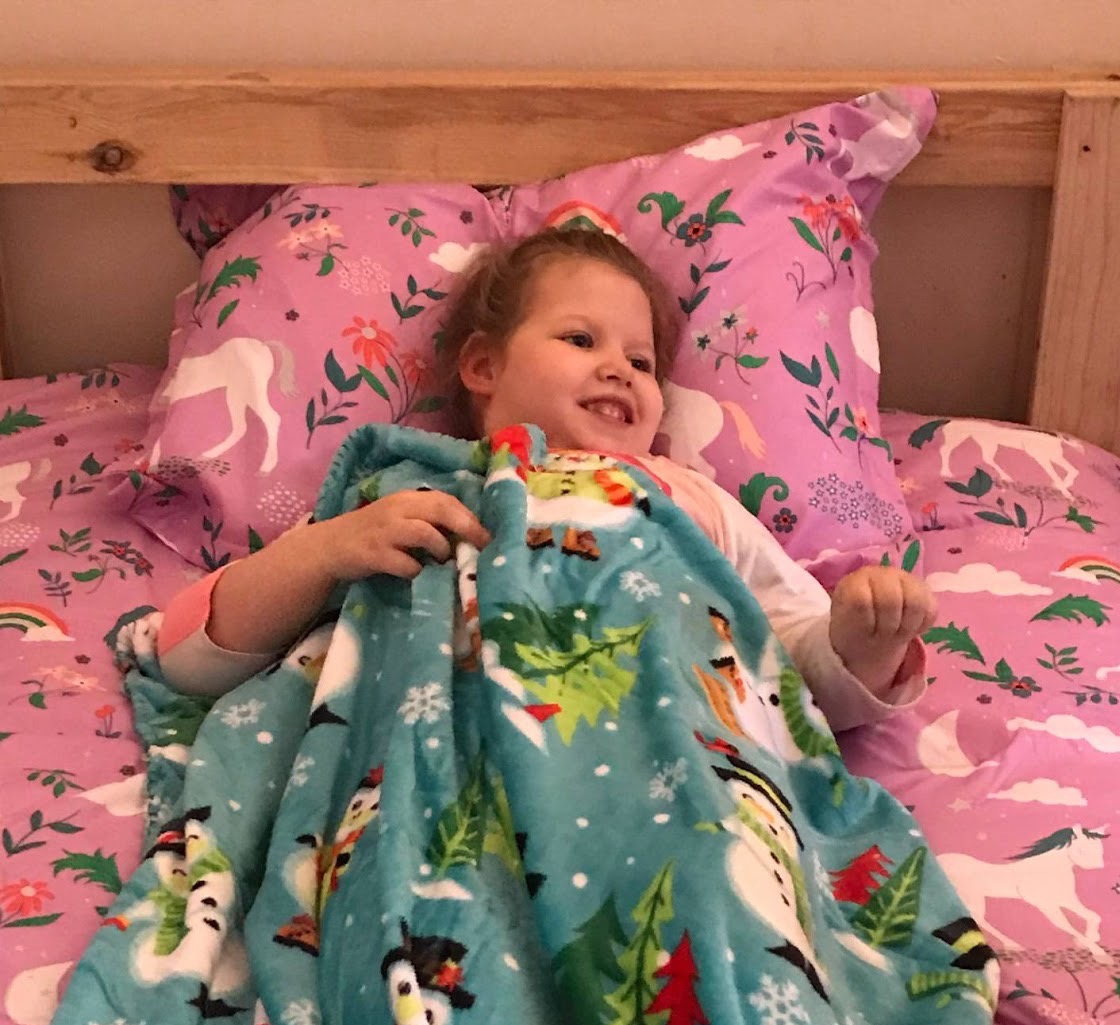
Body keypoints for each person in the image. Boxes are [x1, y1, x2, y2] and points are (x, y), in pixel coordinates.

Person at [156, 228, 936, 729]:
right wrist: (325, 553)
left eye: (641, 361)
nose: (618, 370)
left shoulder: (689, 500)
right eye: (580, 338)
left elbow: (796, 677)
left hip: (664, 764)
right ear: (484, 366)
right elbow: (190, 657)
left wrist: (860, 645)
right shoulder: (403, 490)